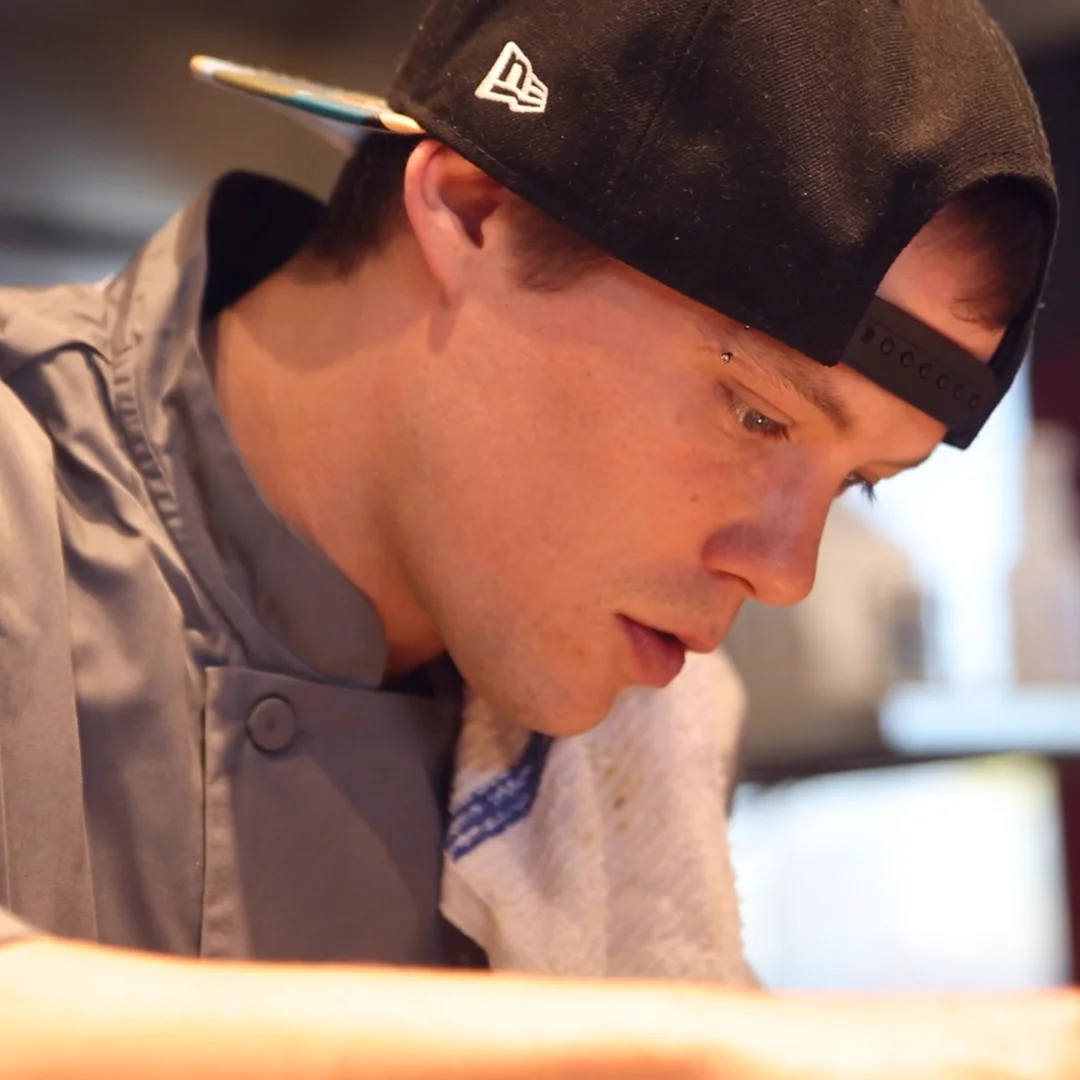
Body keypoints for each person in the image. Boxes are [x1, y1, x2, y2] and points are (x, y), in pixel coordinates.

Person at [0, 0, 1073, 1075]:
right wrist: (711, 1057)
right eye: (755, 415)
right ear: (472, 212)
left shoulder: (655, 732)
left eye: (859, 486)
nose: (785, 575)